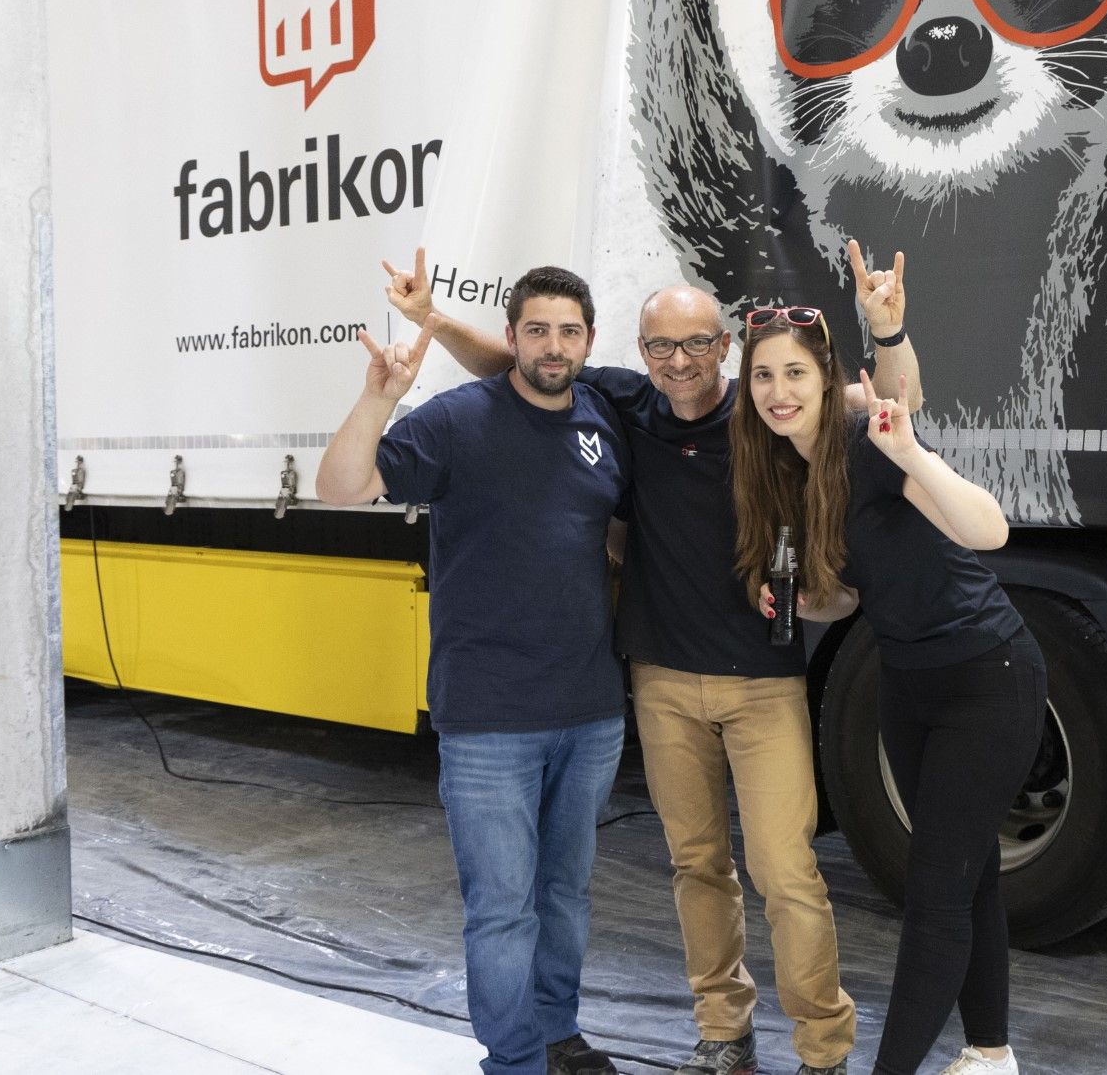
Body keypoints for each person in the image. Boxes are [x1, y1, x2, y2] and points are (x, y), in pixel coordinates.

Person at [383, 244, 920, 1075]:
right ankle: (724, 1034)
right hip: (660, 682)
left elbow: (893, 407)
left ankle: (823, 1050)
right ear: (638, 353)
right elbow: (525, 362)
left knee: (786, 872)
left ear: (724, 349)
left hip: (762, 684)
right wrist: (434, 322)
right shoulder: (626, 402)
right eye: (661, 347)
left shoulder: (771, 410)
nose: (680, 363)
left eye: (697, 344)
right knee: (698, 866)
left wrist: (888, 333)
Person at [315, 266, 631, 1075]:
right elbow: (341, 485)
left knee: (565, 897)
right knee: (500, 911)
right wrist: (381, 396)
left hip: (590, 713)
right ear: (512, 337)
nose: (553, 346)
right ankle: (515, 1060)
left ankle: (557, 1031)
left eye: (568, 332)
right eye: (536, 330)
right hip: (489, 720)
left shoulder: (605, 417)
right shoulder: (459, 421)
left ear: (589, 342)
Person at [730, 309, 1043, 1075]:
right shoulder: (786, 470)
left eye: (795, 373)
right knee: (966, 878)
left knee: (934, 899)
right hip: (908, 683)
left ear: (826, 377)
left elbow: (988, 528)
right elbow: (847, 595)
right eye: (763, 375)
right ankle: (992, 1054)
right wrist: (804, 601)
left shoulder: (869, 443)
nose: (778, 391)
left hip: (986, 678)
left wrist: (909, 451)